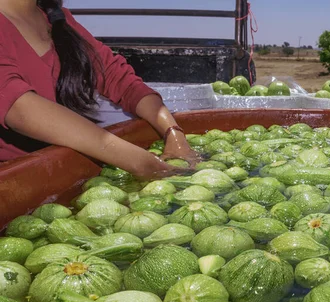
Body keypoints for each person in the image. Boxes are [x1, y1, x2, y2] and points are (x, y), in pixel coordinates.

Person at [0, 0, 199, 178]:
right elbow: (19, 107)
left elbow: (119, 79)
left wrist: (173, 133)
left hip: (63, 170)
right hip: (12, 182)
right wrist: (134, 159)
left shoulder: (59, 19)